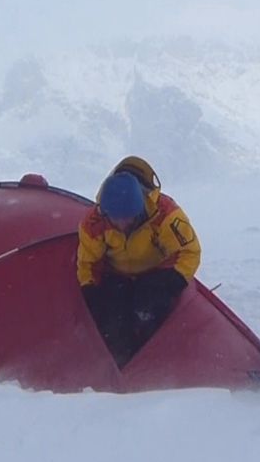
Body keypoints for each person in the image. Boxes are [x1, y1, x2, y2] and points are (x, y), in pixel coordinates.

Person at [77, 157, 201, 368]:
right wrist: (90, 292)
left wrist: (172, 281)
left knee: (149, 313)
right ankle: (122, 369)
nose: (122, 224)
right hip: (116, 275)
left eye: (128, 218)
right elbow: (87, 263)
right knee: (112, 323)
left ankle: (157, 365)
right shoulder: (94, 223)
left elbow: (190, 251)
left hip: (156, 273)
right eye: (116, 219)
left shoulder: (166, 215)